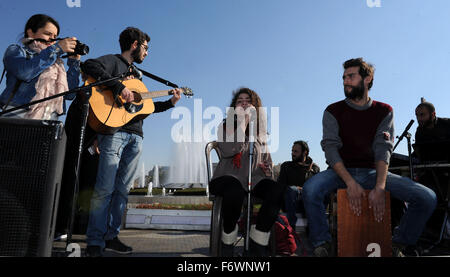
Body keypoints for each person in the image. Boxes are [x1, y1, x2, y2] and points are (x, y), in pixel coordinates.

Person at [302, 58, 437, 257]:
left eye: (351, 76)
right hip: (340, 172)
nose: (345, 81)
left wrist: (380, 187)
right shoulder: (332, 110)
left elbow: (383, 150)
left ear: (368, 79)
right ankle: (322, 243)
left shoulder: (385, 111)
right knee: (310, 189)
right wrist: (350, 182)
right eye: (343, 77)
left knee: (427, 198)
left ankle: (398, 244)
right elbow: (330, 150)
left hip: (373, 172)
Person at [81, 27, 183, 257]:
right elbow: (88, 65)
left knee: (122, 191)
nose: (147, 53)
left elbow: (145, 107)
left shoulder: (137, 75)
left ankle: (112, 237)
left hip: (136, 137)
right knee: (104, 189)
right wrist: (118, 86)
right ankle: (95, 241)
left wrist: (172, 102)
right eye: (146, 48)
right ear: (135, 45)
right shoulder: (114, 62)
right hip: (114, 132)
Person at [209, 87, 285, 257]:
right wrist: (243, 121)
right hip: (227, 176)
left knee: (277, 190)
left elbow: (267, 161)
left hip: (254, 179)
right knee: (234, 190)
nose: (243, 103)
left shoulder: (260, 133)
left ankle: (258, 241)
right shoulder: (226, 126)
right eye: (239, 101)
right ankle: (227, 239)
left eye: (247, 101)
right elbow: (230, 149)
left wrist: (267, 170)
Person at [0, 14, 80, 119]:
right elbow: (25, 73)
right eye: (48, 34)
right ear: (31, 33)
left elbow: (69, 95)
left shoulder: (56, 64)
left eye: (55, 37)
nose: (52, 39)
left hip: (49, 119)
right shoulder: (17, 51)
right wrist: (57, 49)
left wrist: (74, 63)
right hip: (17, 115)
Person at [414, 101, 450, 244]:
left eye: (422, 115)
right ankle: (429, 232)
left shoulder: (447, 125)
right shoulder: (419, 131)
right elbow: (420, 153)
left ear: (433, 114)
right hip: (431, 173)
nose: (419, 119)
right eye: (417, 115)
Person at [278, 140, 320, 231]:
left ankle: (313, 231)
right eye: (292, 151)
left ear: (305, 153)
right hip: (290, 201)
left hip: (307, 202)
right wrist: (295, 189)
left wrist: (303, 189)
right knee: (292, 190)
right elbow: (280, 186)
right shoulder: (286, 166)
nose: (293, 154)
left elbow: (316, 189)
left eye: (296, 151)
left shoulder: (314, 168)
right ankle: (291, 229)